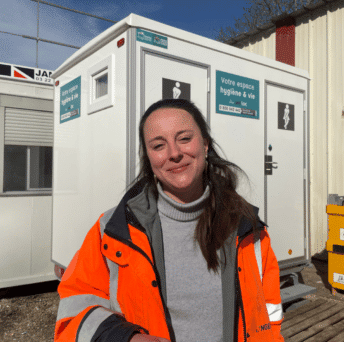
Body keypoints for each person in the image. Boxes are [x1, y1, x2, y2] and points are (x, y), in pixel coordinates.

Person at [54, 99, 284, 342]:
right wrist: (126, 339)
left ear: (205, 144)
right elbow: (73, 312)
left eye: (184, 138)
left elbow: (269, 315)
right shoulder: (113, 229)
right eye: (158, 145)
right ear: (149, 158)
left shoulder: (246, 227)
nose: (174, 154)